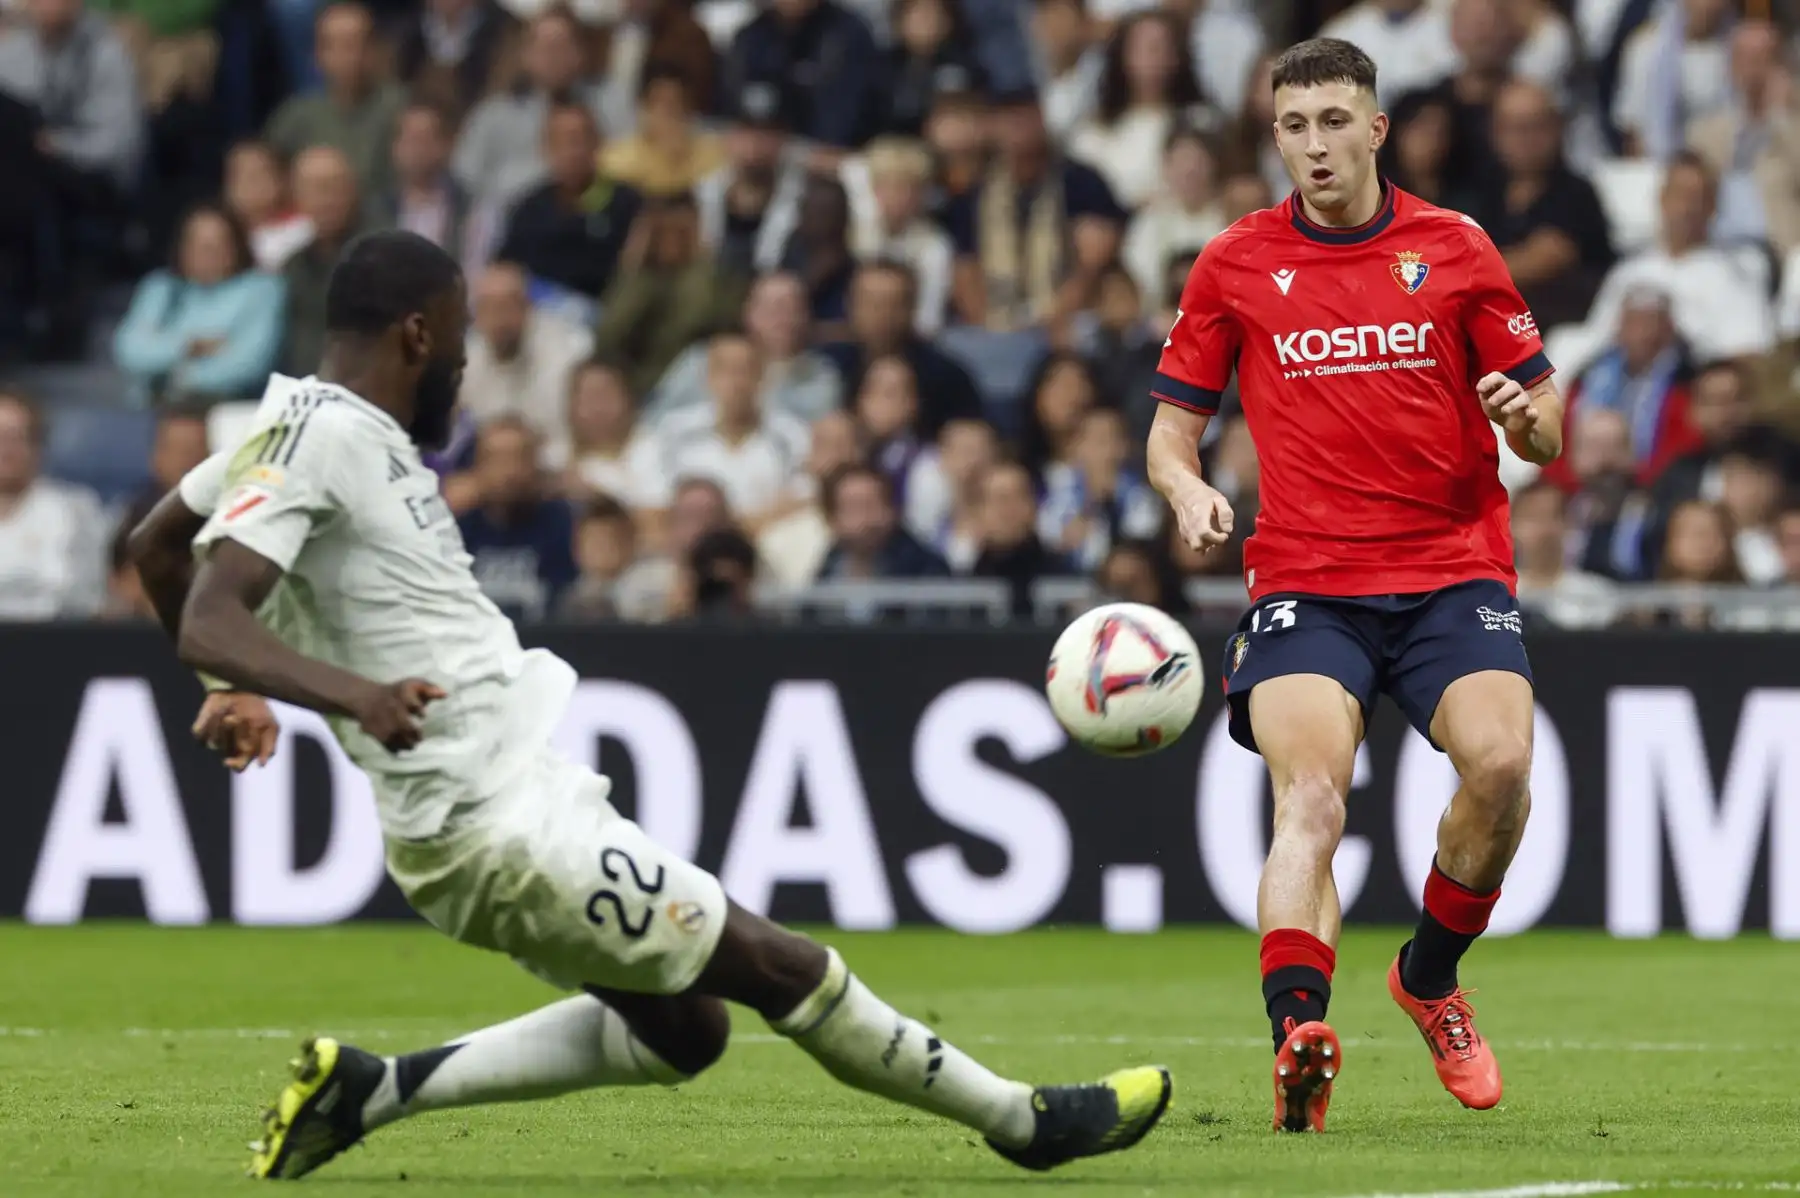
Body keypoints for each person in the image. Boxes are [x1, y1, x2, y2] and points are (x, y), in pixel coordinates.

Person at [124, 229, 1171, 1180]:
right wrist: (334, 689)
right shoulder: (320, 438)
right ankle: (1025, 1122)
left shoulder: (298, 427)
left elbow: (157, 546)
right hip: (497, 826)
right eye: (454, 342)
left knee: (687, 1031)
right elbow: (210, 608)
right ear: (416, 331)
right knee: (780, 962)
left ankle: (369, 1092)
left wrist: (230, 691)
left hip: (502, 806)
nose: (462, 364)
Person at [1144, 38, 1566, 1134]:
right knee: (1312, 799)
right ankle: (1298, 1037)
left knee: (1503, 768)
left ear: (1377, 129)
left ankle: (1428, 979)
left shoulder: (1456, 248)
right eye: (1294, 126)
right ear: (1274, 137)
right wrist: (1187, 494)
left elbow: (1548, 421)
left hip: (1449, 569)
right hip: (1307, 582)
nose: (1315, 145)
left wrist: (1529, 423)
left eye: (1336, 121)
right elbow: (1168, 437)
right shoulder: (1234, 261)